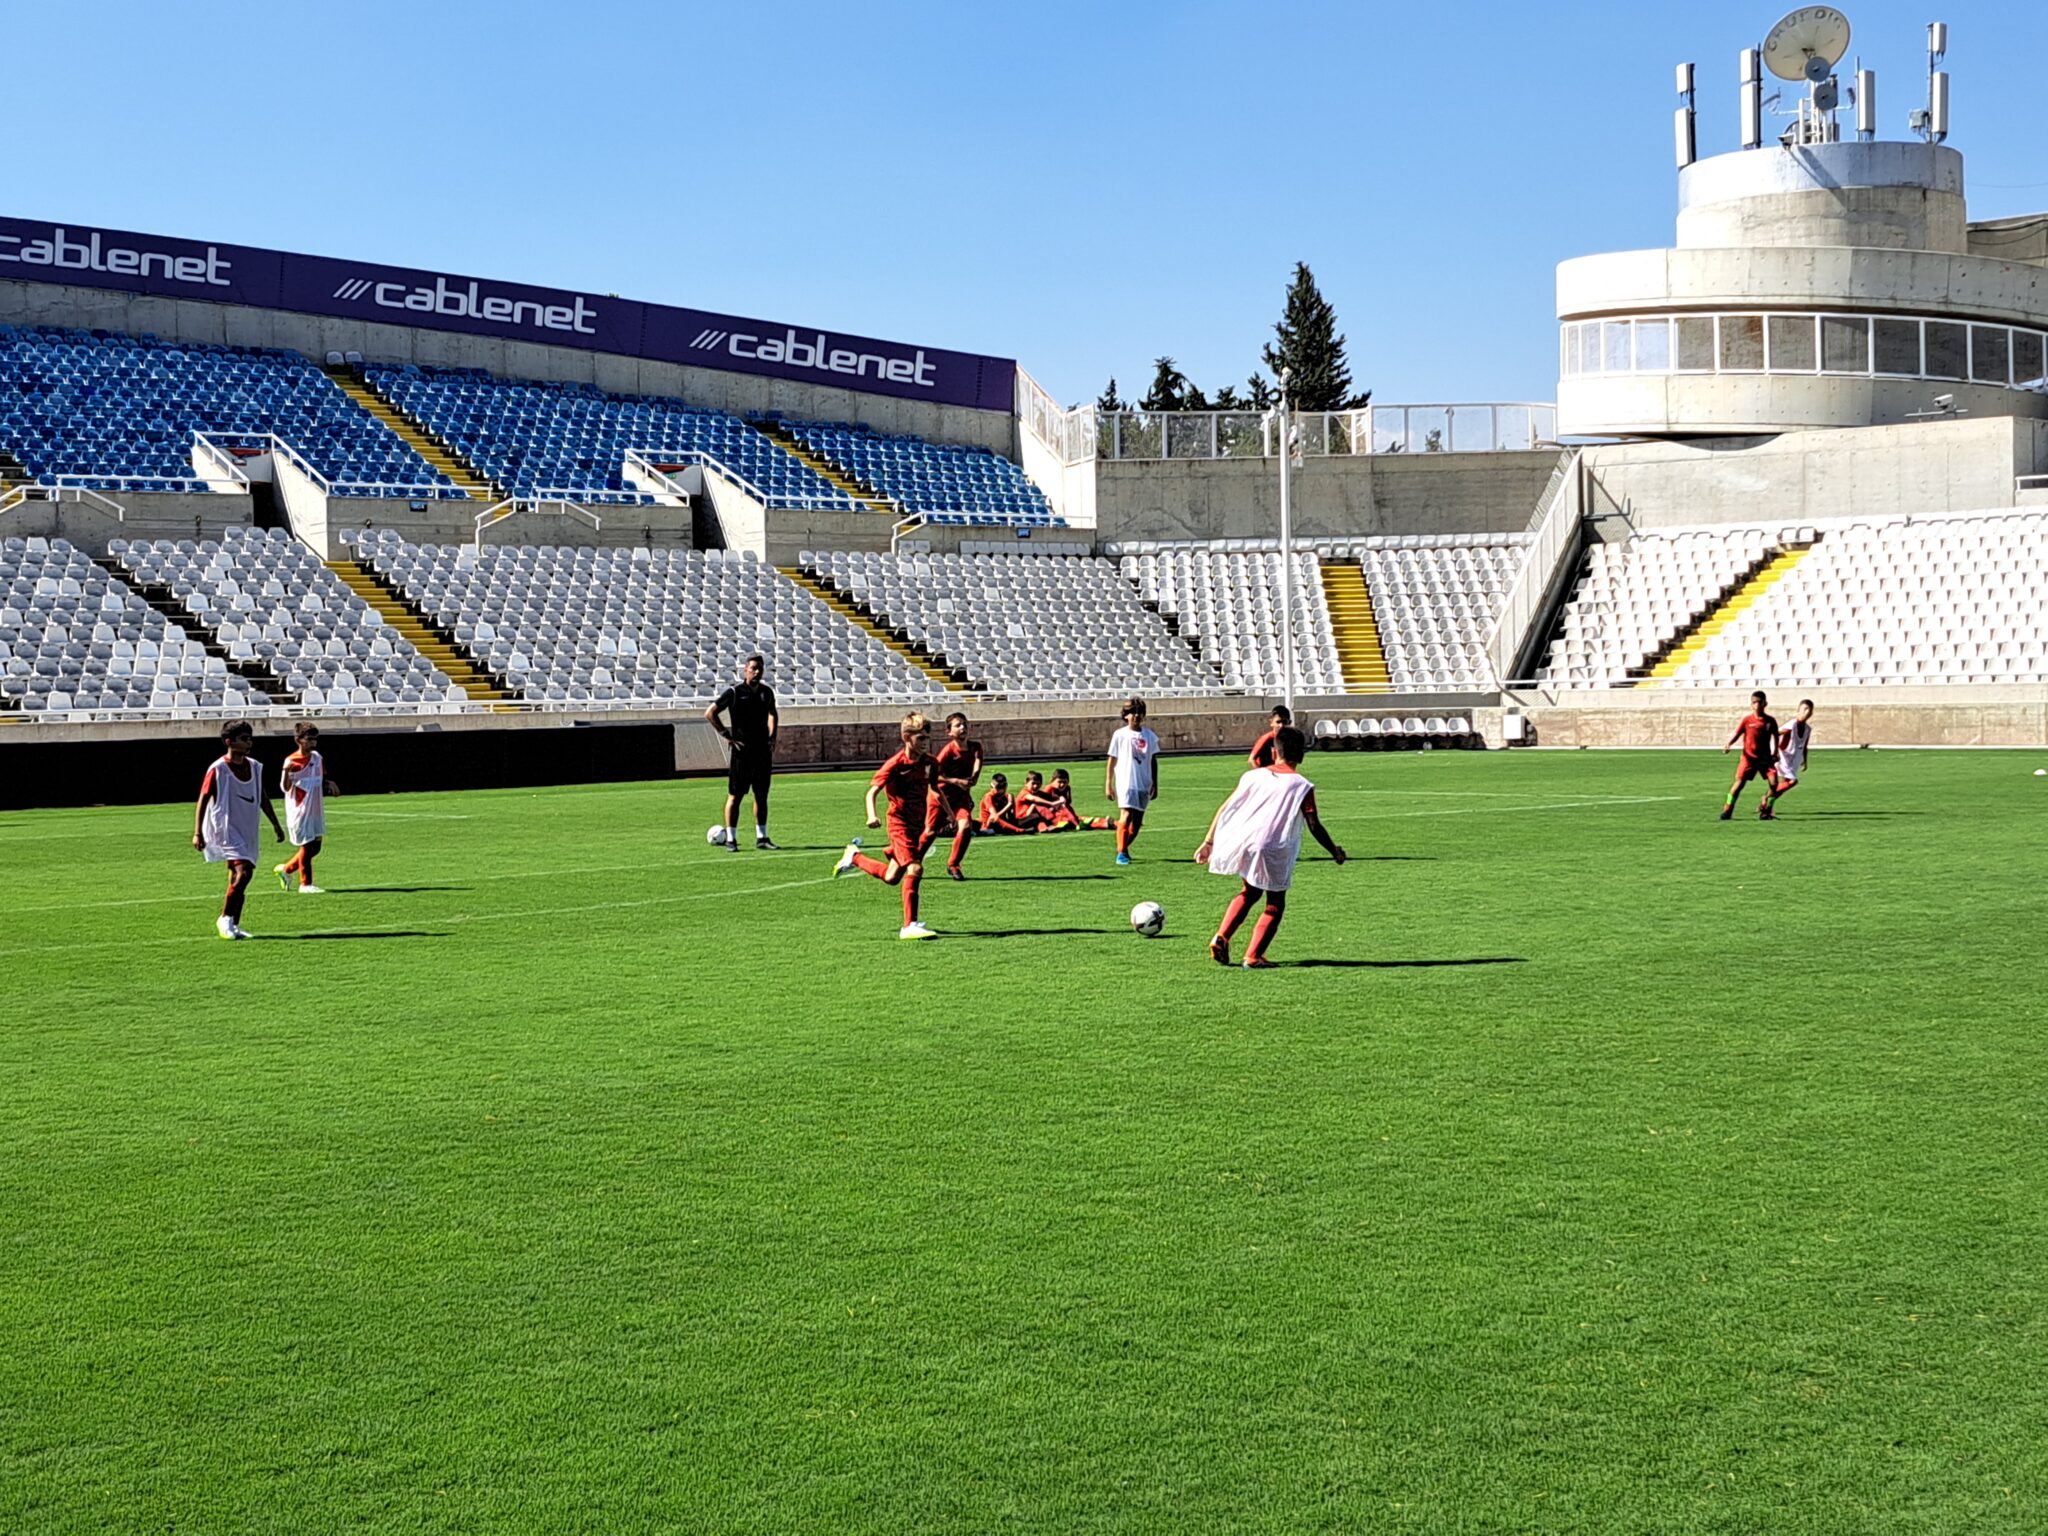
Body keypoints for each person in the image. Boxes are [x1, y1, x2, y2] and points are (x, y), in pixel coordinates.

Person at [1194, 725, 1347, 969]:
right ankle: (1253, 956)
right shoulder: (1302, 785)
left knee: (1250, 892)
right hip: (1274, 847)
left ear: (1275, 752)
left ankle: (1221, 936)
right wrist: (1334, 851)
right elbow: (1313, 824)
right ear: (1302, 755)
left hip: (1248, 842)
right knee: (1275, 903)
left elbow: (1227, 808)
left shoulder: (1253, 776)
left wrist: (1208, 841)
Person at [834, 711, 939, 940]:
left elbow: (935, 790)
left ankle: (855, 857)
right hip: (898, 824)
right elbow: (872, 792)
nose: (925, 743)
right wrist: (871, 816)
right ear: (906, 737)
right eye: (920, 738)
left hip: (916, 826)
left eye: (926, 738)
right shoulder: (894, 764)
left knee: (892, 877)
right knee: (915, 869)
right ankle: (909, 925)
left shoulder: (930, 763)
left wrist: (948, 814)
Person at [192, 719, 286, 940]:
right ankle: (225, 918)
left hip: (248, 827)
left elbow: (261, 795)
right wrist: (198, 832)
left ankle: (234, 924)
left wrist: (275, 824)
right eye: (244, 739)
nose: (249, 742)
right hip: (226, 828)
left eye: (249, 738)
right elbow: (203, 799)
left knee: (237, 875)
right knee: (244, 872)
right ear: (229, 742)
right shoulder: (218, 769)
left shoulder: (254, 766)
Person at [706, 654, 778, 850]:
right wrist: (726, 734)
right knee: (735, 796)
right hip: (742, 753)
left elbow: (772, 713)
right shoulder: (735, 692)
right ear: (745, 669)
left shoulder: (766, 692)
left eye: (760, 668)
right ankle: (731, 839)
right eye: (753, 668)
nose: (757, 671)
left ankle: (762, 838)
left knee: (761, 795)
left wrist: (773, 735)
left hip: (762, 752)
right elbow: (710, 712)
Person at [274, 721, 337, 893]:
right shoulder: (291, 761)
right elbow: (285, 788)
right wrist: (286, 771)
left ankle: (286, 869)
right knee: (307, 846)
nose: (313, 743)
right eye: (309, 739)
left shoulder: (317, 758)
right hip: (300, 809)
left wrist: (329, 784)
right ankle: (305, 884)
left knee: (315, 847)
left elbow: (319, 778)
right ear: (298, 740)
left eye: (315, 739)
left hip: (316, 809)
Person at [922, 710, 983, 879]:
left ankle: (954, 865)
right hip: (941, 796)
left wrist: (974, 777)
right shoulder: (947, 753)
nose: (963, 727)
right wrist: (956, 781)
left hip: (960, 798)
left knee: (965, 827)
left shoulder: (975, 747)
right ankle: (912, 860)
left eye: (965, 724)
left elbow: (978, 760)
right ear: (949, 732)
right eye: (958, 725)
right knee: (930, 832)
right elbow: (934, 777)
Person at [1104, 697, 1160, 866]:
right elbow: (1112, 759)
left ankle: (1124, 848)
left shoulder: (1149, 736)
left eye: (1138, 712)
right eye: (1132, 713)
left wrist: (1155, 783)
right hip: (1126, 781)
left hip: (1144, 782)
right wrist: (1108, 783)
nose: (1135, 716)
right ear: (1125, 715)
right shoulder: (1120, 735)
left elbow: (1153, 760)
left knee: (1136, 825)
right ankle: (1121, 853)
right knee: (1126, 815)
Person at [1720, 690, 1781, 821]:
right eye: (1754, 702)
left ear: (1765, 703)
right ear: (1751, 705)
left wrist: (1775, 752)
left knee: (1774, 783)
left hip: (1765, 759)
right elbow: (1737, 733)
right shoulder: (1747, 720)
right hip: (1748, 758)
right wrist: (1728, 744)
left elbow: (1776, 736)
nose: (1757, 705)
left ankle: (1766, 811)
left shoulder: (1770, 721)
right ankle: (1727, 810)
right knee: (1739, 784)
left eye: (1760, 702)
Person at [1761, 699, 1816, 818]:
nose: (1807, 712)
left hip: (1793, 759)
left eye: (1810, 710)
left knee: (1784, 784)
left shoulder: (1807, 729)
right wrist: (1772, 750)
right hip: (1782, 756)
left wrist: (1804, 760)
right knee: (1792, 781)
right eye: (1805, 709)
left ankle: (1767, 804)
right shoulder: (1792, 725)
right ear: (1798, 711)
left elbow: (1805, 746)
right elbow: (1775, 733)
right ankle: (1766, 799)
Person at [1040, 768, 1111, 831]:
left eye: (1064, 782)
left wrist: (1063, 802)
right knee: (1074, 822)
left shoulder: (1067, 788)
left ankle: (1105, 822)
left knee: (1079, 818)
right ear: (1053, 780)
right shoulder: (1049, 789)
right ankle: (1104, 824)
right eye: (1060, 782)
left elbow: (1068, 802)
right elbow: (1043, 805)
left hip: (1064, 813)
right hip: (1054, 815)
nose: (1062, 785)